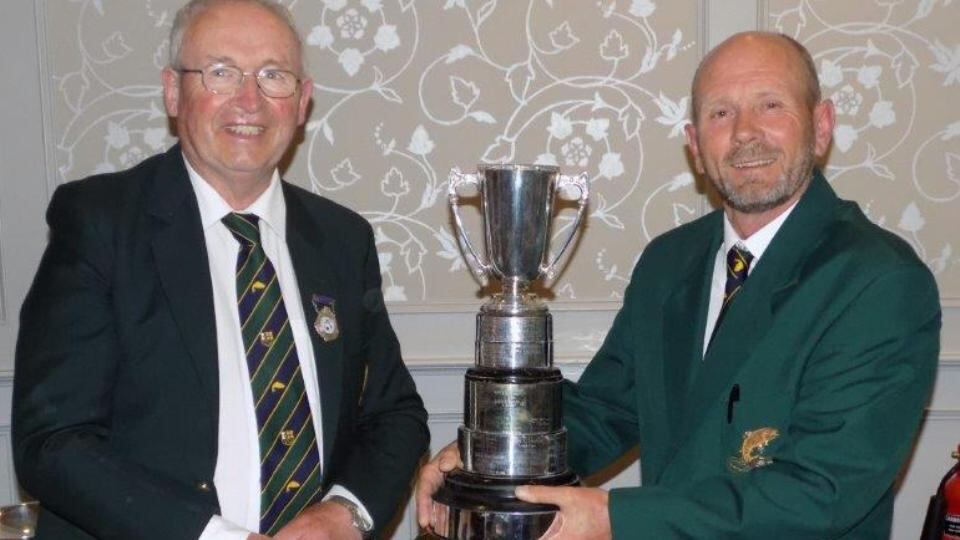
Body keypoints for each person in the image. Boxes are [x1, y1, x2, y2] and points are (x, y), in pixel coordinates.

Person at [416, 31, 941, 539]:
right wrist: (490, 454)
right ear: (694, 144)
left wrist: (618, 520)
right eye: (720, 113)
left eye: (770, 106)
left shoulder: (880, 282)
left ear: (821, 125)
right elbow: (605, 410)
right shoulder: (667, 262)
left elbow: (821, 491)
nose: (744, 133)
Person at [12, 1, 429, 539]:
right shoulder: (101, 224)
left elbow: (394, 414)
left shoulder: (342, 240)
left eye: (273, 76)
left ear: (302, 102)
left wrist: (343, 514)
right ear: (172, 91)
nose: (249, 100)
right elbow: (53, 441)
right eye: (221, 72)